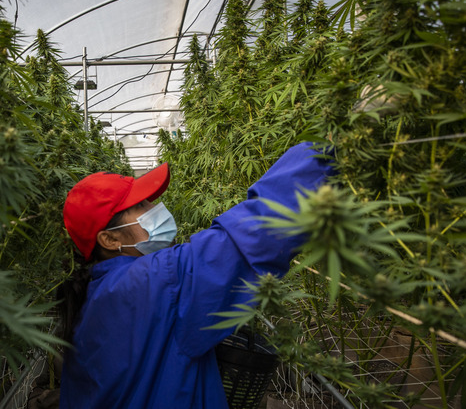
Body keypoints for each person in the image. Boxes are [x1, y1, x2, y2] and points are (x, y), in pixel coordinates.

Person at [58, 142, 334, 408]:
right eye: (141, 206)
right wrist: (327, 151)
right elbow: (251, 237)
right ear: (109, 239)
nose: (155, 209)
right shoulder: (152, 283)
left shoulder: (97, 292)